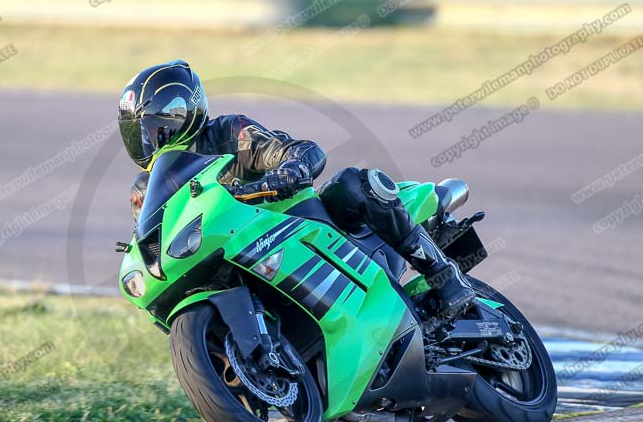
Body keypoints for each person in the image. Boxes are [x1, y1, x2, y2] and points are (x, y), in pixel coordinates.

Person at [119, 60, 474, 318]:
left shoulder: (228, 134)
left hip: (290, 225)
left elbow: (295, 151)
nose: (148, 140)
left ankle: (444, 276)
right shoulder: (146, 188)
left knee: (353, 184)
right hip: (227, 260)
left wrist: (289, 171)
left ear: (182, 115)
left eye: (154, 127)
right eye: (137, 131)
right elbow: (152, 243)